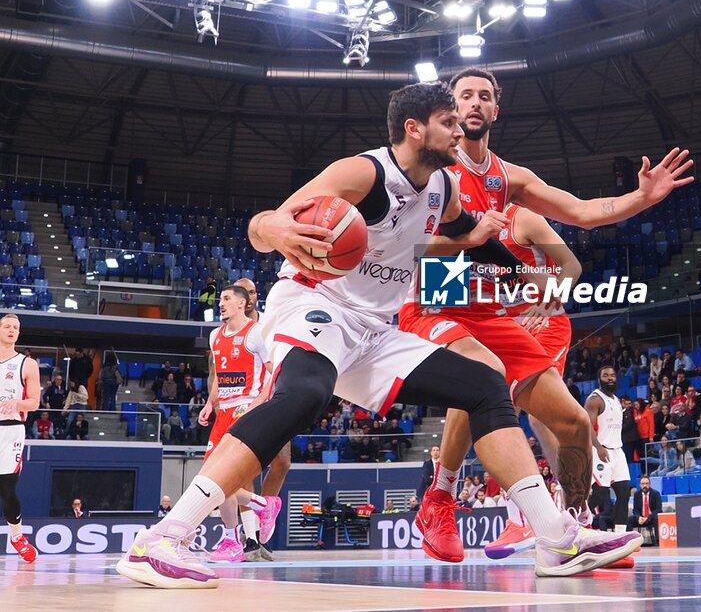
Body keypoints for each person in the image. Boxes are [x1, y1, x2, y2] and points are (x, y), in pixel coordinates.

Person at [116, 82, 641, 589]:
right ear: (414, 129)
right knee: (305, 396)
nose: (459, 132)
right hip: (313, 303)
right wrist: (271, 228)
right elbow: (265, 223)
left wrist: (526, 277)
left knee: (485, 382)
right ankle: (163, 537)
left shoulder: (444, 186)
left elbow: (467, 236)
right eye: (448, 122)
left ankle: (553, 539)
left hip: (374, 329)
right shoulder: (362, 173)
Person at [399, 68, 691, 564]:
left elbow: (582, 211)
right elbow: (406, 252)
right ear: (449, 110)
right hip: (435, 298)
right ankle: (441, 497)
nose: (474, 103)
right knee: (480, 375)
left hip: (491, 313)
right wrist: (466, 240)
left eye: (484, 96)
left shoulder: (509, 179)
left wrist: (641, 197)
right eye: (464, 95)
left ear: (496, 110)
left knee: (576, 424)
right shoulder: (430, 169)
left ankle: (571, 530)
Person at [482, 201, 582, 559]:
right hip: (503, 331)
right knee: (486, 408)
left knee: (542, 415)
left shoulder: (521, 218)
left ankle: (574, 513)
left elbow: (572, 265)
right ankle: (524, 516)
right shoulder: (468, 227)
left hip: (544, 323)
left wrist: (551, 298)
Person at [201, 286, 282, 564]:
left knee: (216, 477)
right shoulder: (214, 336)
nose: (220, 303)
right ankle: (257, 510)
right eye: (220, 299)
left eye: (226, 299)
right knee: (210, 478)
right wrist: (210, 404)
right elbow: (220, 377)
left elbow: (275, 374)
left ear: (241, 304)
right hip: (223, 409)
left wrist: (258, 401)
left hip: (246, 410)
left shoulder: (257, 332)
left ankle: (231, 538)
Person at [236, 276, 291, 562]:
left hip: (273, 397)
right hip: (243, 403)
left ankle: (264, 518)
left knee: (282, 462)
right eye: (246, 291)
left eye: (254, 291)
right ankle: (250, 536)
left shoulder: (268, 322)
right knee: (248, 471)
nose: (251, 295)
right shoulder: (229, 329)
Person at [0, 314, 41, 562]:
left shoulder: (27, 364)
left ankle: (16, 536)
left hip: (12, 429)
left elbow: (34, 403)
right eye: (7, 326)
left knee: (6, 488)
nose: (12, 330)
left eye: (16, 327)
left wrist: (17, 402)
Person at [582, 367, 632, 536]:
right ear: (599, 378)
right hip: (600, 450)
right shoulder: (594, 400)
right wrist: (598, 447)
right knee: (600, 493)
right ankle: (577, 523)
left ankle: (620, 535)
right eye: (605, 375)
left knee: (624, 492)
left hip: (617, 451)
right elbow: (586, 426)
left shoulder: (616, 400)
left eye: (612, 375)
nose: (610, 378)